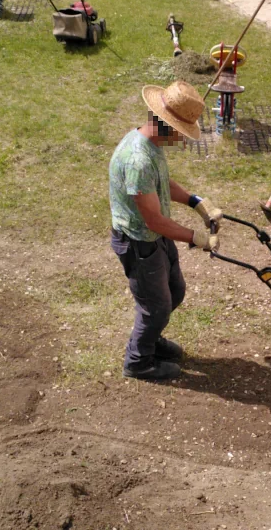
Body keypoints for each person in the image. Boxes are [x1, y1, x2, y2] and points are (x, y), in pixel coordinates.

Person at [108, 80, 222, 381]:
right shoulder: (138, 160)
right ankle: (139, 362)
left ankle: (151, 339)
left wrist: (196, 202)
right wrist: (197, 238)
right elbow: (154, 221)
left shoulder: (151, 142)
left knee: (174, 292)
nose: (183, 140)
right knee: (155, 307)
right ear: (166, 124)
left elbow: (162, 184)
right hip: (139, 243)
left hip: (156, 239)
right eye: (181, 133)